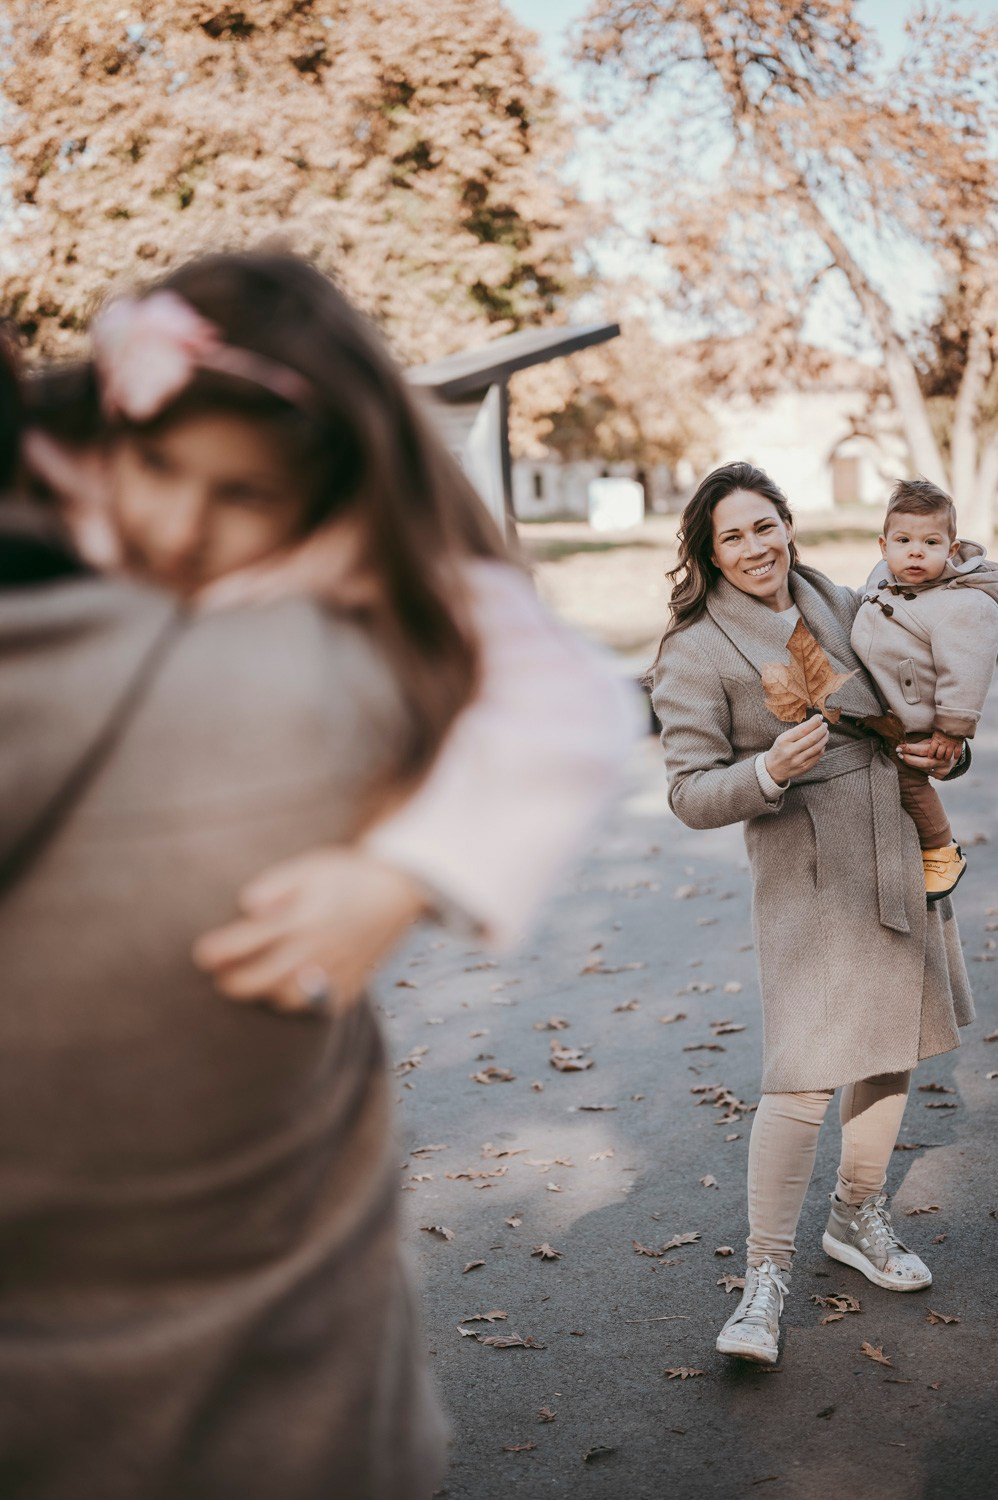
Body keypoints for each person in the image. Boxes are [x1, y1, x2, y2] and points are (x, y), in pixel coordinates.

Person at [0, 255, 636, 1499]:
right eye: (161, 468)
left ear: (323, 487)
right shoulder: (67, 473)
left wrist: (401, 871)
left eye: (239, 495)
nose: (179, 526)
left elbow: (568, 703)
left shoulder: (358, 547)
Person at [649, 461, 974, 1368]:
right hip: (805, 873)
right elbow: (685, 791)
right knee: (800, 1077)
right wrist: (766, 773)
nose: (755, 549)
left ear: (790, 525)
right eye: (733, 537)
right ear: (708, 553)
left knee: (893, 1045)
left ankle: (855, 1215)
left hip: (894, 848)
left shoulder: (840, 596)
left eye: (766, 527)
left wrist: (948, 752)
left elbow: (916, 689)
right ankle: (763, 1280)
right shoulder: (695, 648)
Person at [851, 477, 998, 901]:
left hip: (917, 718)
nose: (915, 551)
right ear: (883, 547)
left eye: (931, 542)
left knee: (908, 782)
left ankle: (940, 849)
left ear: (952, 550)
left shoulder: (963, 605)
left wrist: (951, 730)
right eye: (903, 540)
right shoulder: (883, 579)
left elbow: (966, 672)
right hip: (887, 708)